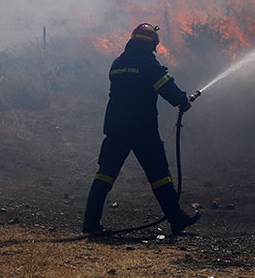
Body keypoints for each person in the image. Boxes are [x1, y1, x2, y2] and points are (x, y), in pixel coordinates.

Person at [82, 22, 201, 235]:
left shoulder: (117, 62)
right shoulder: (148, 63)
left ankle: (90, 223)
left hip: (115, 127)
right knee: (159, 175)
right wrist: (182, 100)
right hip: (142, 128)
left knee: (105, 175)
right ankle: (176, 219)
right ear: (151, 45)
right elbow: (166, 87)